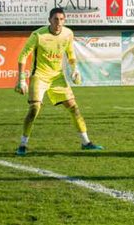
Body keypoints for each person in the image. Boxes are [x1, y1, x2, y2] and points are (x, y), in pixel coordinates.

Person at [14, 8, 103, 155]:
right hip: (40, 76)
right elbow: (23, 56)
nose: (59, 23)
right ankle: (22, 145)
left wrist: (75, 69)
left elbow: (70, 54)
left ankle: (86, 142)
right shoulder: (38, 35)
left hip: (57, 77)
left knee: (74, 108)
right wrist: (21, 79)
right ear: (49, 20)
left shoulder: (68, 34)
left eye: (62, 19)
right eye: (56, 19)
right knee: (34, 109)